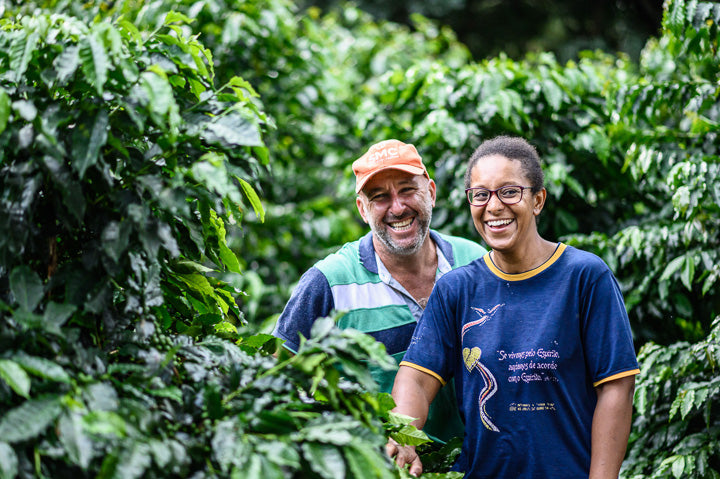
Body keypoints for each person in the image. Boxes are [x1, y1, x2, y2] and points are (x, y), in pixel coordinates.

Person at [387, 135, 640, 478]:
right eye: (481, 194)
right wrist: (403, 436)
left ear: (537, 200)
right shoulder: (457, 289)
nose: (493, 206)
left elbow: (615, 387)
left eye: (509, 192)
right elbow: (415, 378)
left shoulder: (584, 277)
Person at [272, 139, 486, 443]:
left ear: (432, 193)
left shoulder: (474, 261)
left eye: (408, 190)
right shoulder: (329, 282)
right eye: (380, 197)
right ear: (362, 209)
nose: (397, 208)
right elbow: (276, 379)